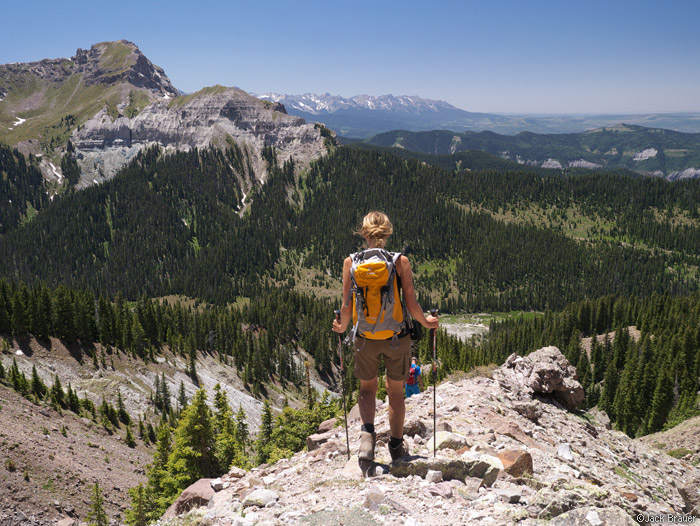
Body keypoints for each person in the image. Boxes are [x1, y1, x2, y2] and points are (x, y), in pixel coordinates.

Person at [332, 211, 439, 464]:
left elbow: (347, 306)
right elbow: (410, 303)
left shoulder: (351, 262)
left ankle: (367, 439)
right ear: (387, 233)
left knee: (367, 389)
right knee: (395, 392)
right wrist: (427, 322)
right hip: (396, 338)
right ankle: (396, 446)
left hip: (364, 338)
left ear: (364, 233)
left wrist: (341, 326)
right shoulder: (399, 261)